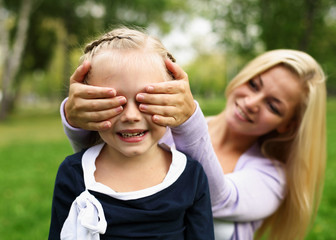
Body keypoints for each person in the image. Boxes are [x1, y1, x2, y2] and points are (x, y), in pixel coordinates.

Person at [61, 49, 327, 240]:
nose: (252, 102)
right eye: (253, 84)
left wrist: (189, 122)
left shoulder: (272, 178)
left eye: (273, 105)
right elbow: (105, 166)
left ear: (287, 124)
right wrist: (77, 119)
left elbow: (212, 197)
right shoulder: (164, 126)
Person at [49, 27, 214, 240]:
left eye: (145, 100)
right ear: (87, 104)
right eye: (114, 101)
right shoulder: (73, 173)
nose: (131, 116)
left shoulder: (191, 176)